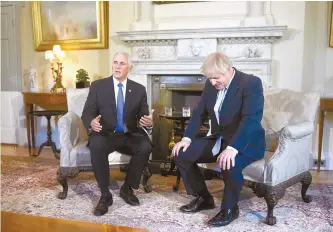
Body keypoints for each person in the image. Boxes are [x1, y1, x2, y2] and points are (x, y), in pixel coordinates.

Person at [172, 52, 265, 227]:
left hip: (246, 142)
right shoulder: (211, 85)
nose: (213, 82)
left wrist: (232, 148)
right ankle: (204, 198)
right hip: (219, 139)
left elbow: (251, 120)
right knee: (182, 154)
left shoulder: (250, 83)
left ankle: (230, 208)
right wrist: (186, 139)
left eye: (217, 77)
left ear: (229, 69)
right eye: (210, 78)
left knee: (229, 162)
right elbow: (199, 113)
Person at [81, 52, 154, 216]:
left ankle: (127, 188)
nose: (117, 66)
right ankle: (105, 195)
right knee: (96, 144)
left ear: (130, 68)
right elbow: (87, 113)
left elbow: (144, 115)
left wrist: (148, 122)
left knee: (145, 145)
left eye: (122, 63)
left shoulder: (138, 89)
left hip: (128, 134)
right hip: (106, 133)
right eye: (115, 62)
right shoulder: (98, 86)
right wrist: (91, 122)